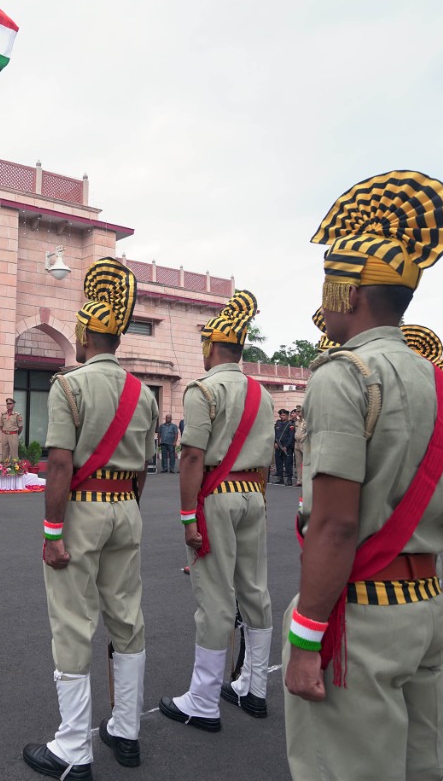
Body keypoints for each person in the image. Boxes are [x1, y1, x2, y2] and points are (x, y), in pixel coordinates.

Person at [281, 171, 443, 781]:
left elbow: (335, 524)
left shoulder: (343, 375)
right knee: (423, 769)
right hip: (424, 603)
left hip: (360, 606)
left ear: (350, 293)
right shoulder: (441, 382)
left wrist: (308, 634)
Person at [23, 258, 158, 780]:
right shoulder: (142, 392)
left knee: (73, 623)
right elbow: (145, 466)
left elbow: (60, 462)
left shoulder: (70, 385)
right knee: (128, 618)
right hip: (127, 506)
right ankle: (126, 730)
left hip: (82, 510)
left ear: (83, 334)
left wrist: (53, 530)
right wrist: (127, 508)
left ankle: (74, 747)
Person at [161, 289, 275, 730]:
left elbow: (192, 457)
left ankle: (203, 700)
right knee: (255, 592)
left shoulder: (203, 389)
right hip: (253, 494)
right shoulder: (261, 394)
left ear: (212, 347)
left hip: (217, 495)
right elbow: (263, 458)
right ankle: (255, 688)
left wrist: (188, 516)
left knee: (214, 598)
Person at [272, 409, 290, 484]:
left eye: (283, 415)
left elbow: (291, 436)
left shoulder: (290, 424)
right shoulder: (278, 423)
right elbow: (275, 433)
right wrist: (275, 442)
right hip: (278, 446)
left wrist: (287, 446)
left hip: (286, 446)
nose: (282, 417)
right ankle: (280, 478)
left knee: (287, 463)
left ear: (287, 416)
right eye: (281, 415)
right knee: (278, 463)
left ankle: (289, 479)